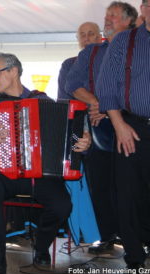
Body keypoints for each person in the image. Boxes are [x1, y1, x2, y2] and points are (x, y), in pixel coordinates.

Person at [0, 52, 91, 274]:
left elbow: (66, 138)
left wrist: (82, 143)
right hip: (4, 172)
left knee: (62, 205)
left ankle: (41, 246)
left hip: (42, 174)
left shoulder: (43, 101)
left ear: (14, 71)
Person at [65, 1, 137, 254]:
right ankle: (106, 234)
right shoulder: (91, 52)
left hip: (135, 124)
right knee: (100, 184)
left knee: (132, 186)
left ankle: (138, 239)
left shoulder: (139, 48)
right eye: (106, 16)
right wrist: (97, 103)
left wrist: (107, 106)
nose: (107, 20)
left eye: (113, 16)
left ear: (129, 21)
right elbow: (73, 84)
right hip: (98, 128)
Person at [96, 0, 150, 274]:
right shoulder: (124, 42)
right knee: (128, 193)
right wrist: (118, 124)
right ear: (143, 8)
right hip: (132, 127)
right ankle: (134, 256)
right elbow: (106, 86)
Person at [57, 21, 102, 100]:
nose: (86, 39)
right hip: (78, 111)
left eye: (91, 34)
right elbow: (64, 99)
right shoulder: (68, 64)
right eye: (82, 35)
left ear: (99, 38)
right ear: (78, 40)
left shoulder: (108, 61)